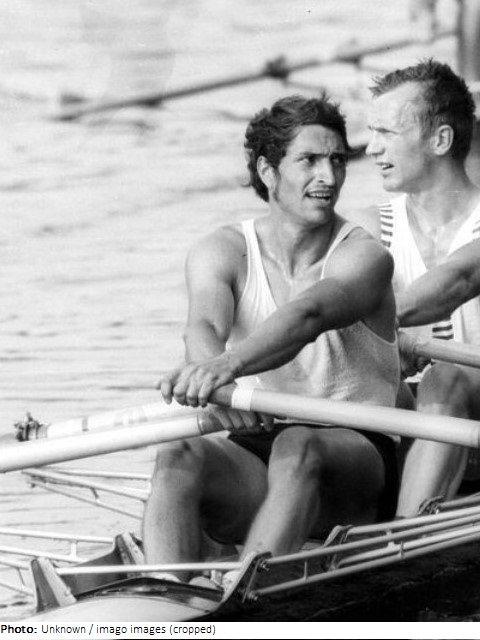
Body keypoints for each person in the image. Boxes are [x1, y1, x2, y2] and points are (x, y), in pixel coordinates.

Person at [142, 94, 401, 588]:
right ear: (267, 171)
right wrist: (215, 385)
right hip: (258, 440)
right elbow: (202, 328)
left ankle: (247, 597)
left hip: (357, 457)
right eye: (309, 160)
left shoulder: (365, 257)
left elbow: (308, 315)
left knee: (298, 444)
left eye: (337, 160)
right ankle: (163, 597)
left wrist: (229, 368)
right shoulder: (223, 249)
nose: (328, 177)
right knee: (177, 453)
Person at [352, 58, 480, 518]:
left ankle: (403, 537)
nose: (371, 148)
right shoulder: (370, 227)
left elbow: (453, 283)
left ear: (440, 140)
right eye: (372, 132)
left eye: (386, 133)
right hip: (413, 420)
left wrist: (375, 326)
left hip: (467, 399)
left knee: (446, 376)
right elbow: (325, 306)